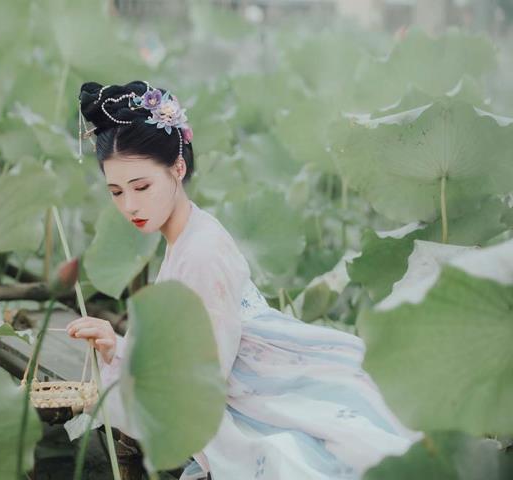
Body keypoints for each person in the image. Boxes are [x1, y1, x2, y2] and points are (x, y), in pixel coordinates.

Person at [64, 80, 422, 479]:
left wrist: (123, 361)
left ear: (178, 168)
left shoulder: (201, 251)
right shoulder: (189, 233)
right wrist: (116, 346)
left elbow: (201, 377)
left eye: (142, 186)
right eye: (116, 192)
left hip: (258, 390)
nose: (130, 205)